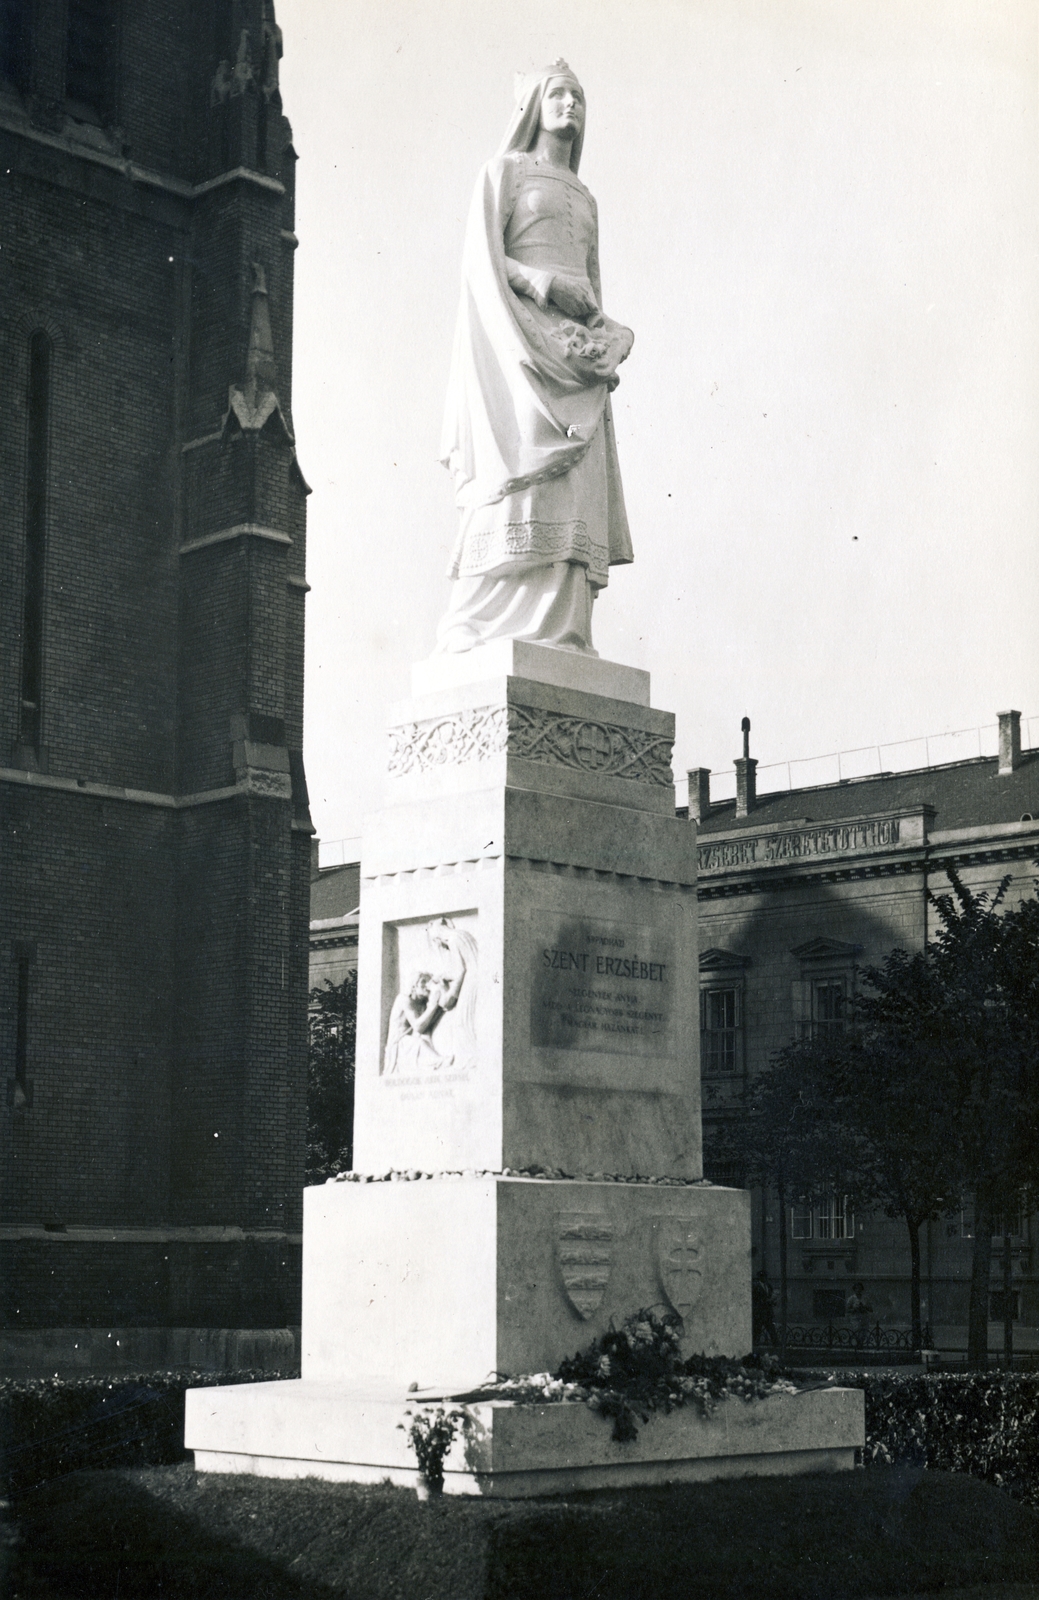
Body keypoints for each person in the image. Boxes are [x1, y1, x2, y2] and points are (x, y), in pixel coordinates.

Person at [436, 60, 633, 655]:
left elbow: (593, 287)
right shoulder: (505, 173)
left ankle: (564, 629)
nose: (571, 103)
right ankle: (477, 622)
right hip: (519, 342)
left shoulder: (587, 198)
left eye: (578, 95)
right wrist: (546, 287)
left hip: (577, 358)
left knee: (573, 486)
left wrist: (608, 337)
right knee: (517, 470)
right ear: (532, 106)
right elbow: (481, 260)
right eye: (558, 93)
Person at [752, 1269, 778, 1347]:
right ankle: (755, 1344)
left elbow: (770, 1296)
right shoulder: (755, 1286)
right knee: (757, 1329)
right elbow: (754, 1299)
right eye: (763, 1277)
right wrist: (766, 1301)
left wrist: (773, 1302)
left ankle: (776, 1343)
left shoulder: (768, 1286)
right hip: (759, 1312)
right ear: (760, 1277)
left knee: (771, 1328)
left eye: (765, 1277)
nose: (765, 1278)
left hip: (767, 1312)